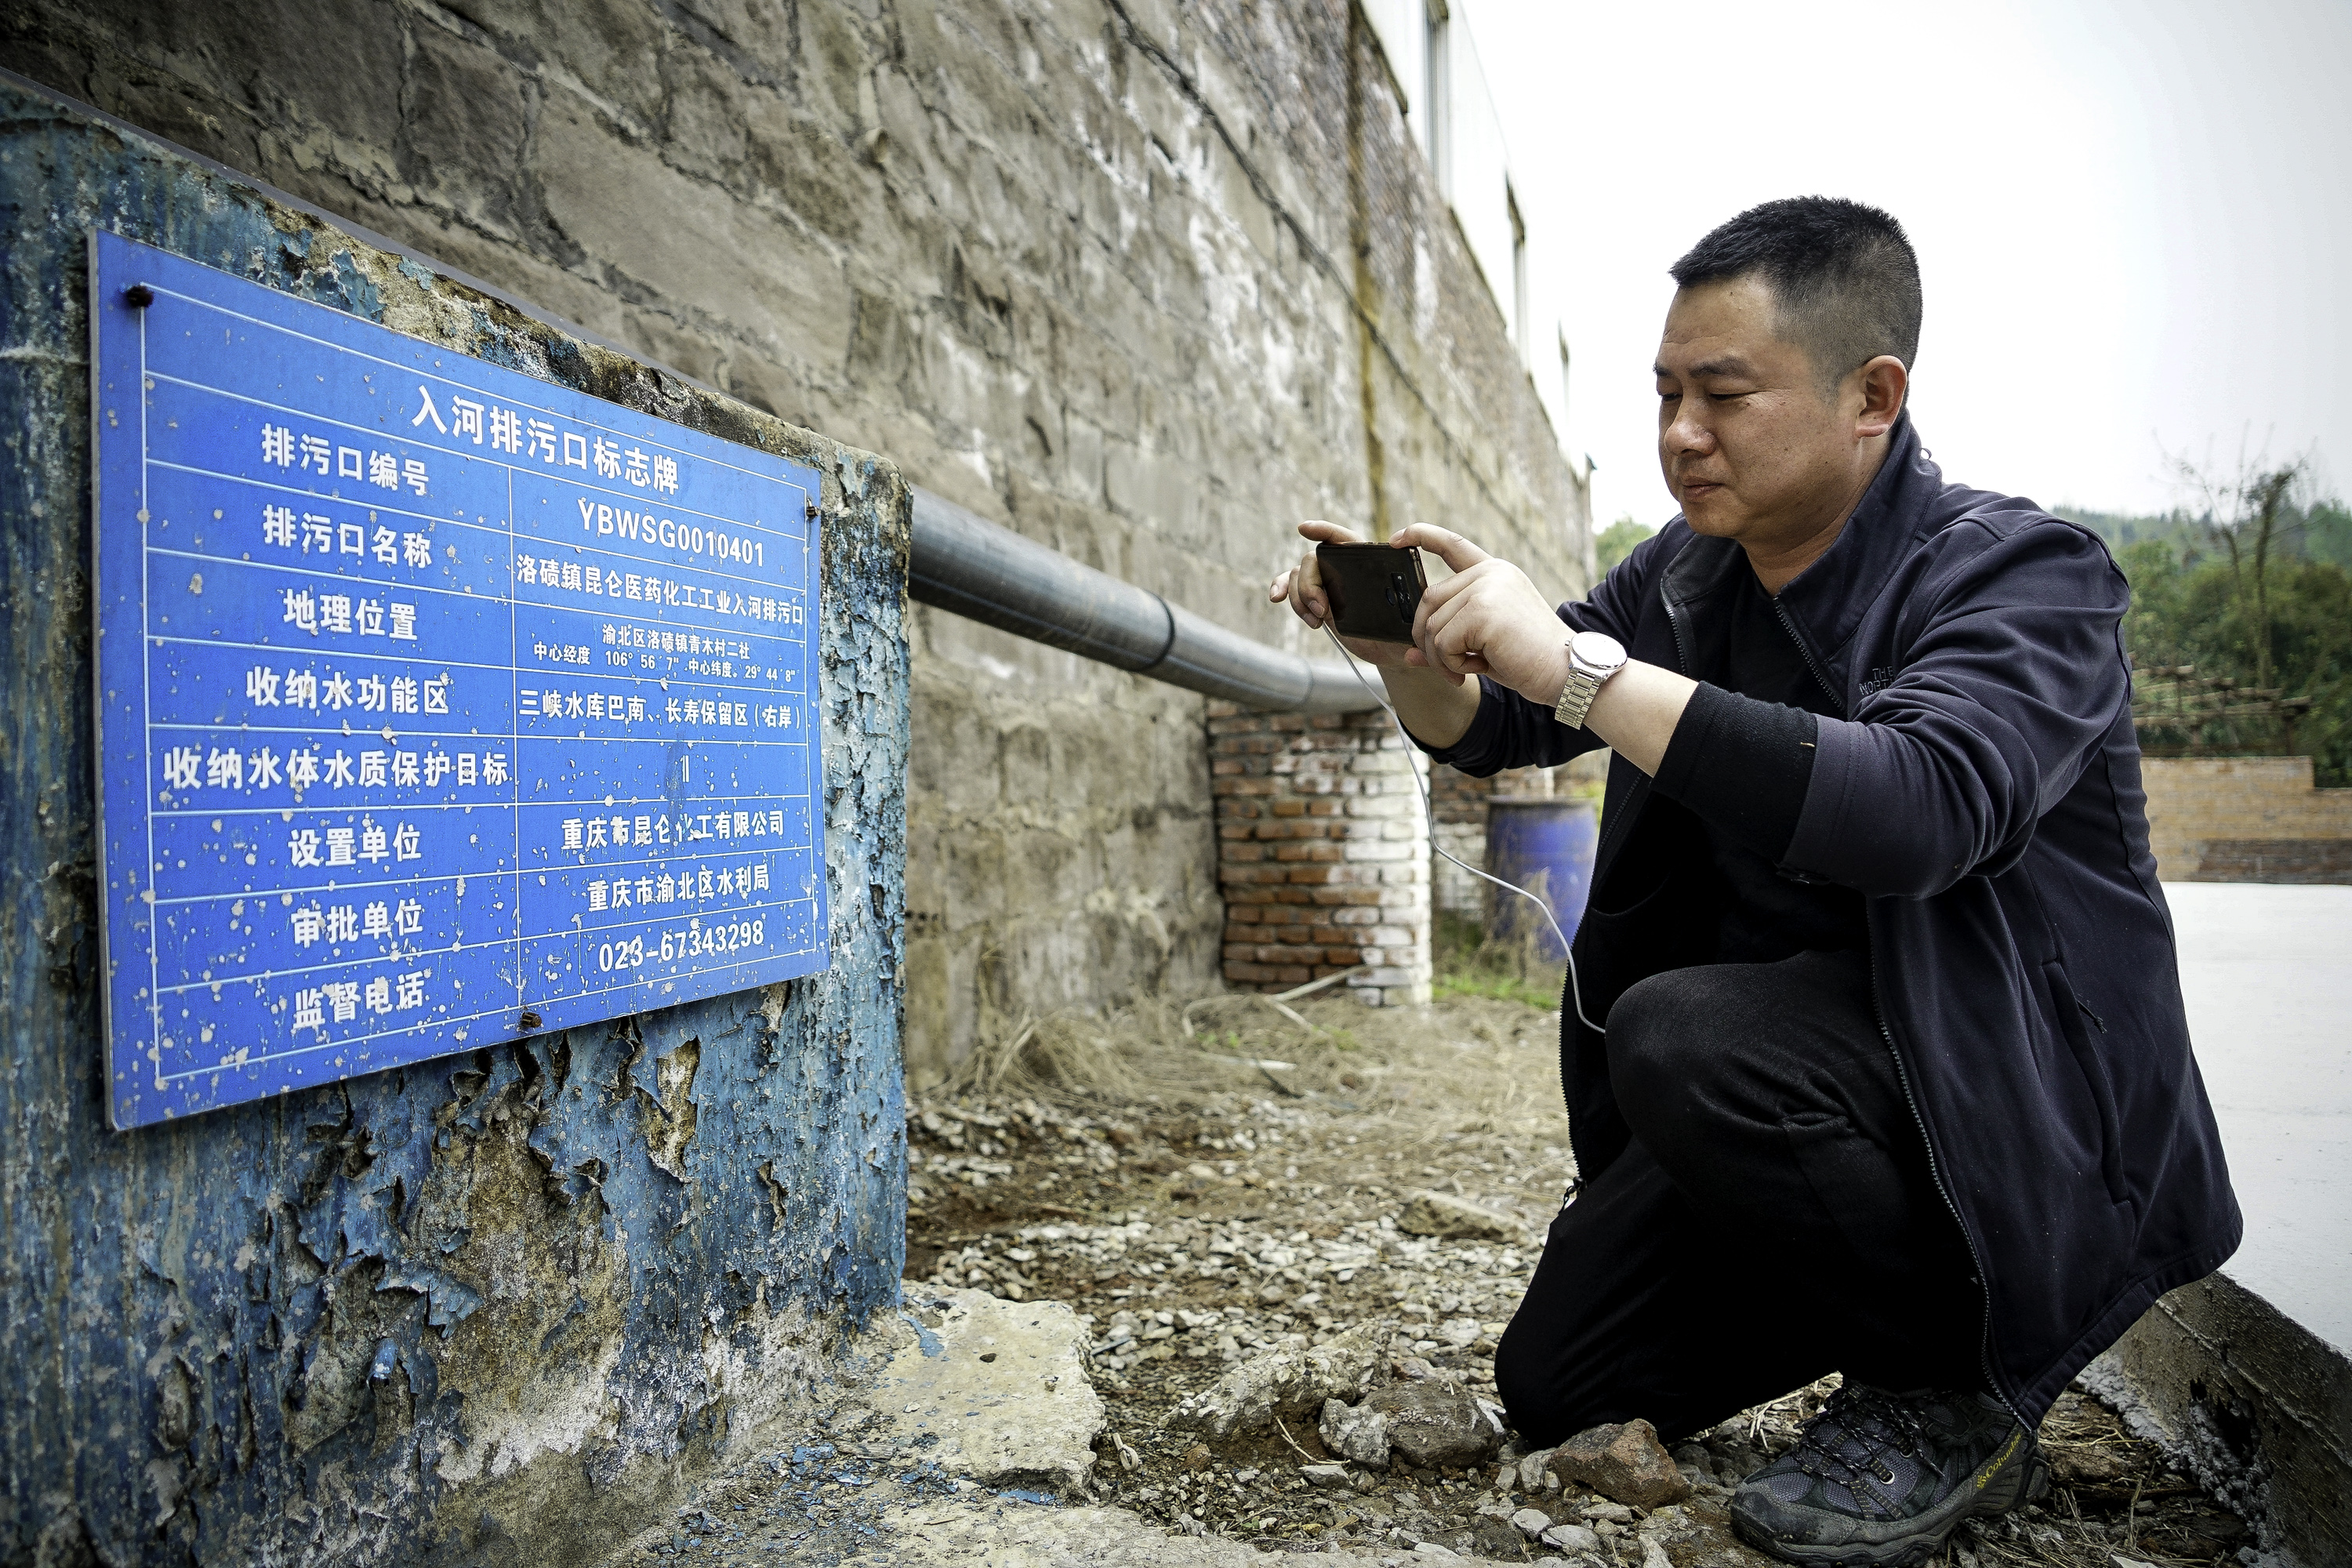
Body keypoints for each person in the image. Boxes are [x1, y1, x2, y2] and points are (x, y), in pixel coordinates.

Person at [1270, 197, 2239, 1568]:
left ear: (1873, 396)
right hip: (1794, 1106)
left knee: (1688, 1033)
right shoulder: (1687, 576)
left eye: (1723, 395)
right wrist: (1404, 653)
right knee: (1560, 1379)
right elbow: (1504, 729)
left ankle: (1956, 1389)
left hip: (2010, 1118)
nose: (1680, 434)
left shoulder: (2025, 576)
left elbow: (1922, 806)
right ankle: (1870, 1303)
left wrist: (1575, 663)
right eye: (1665, 393)